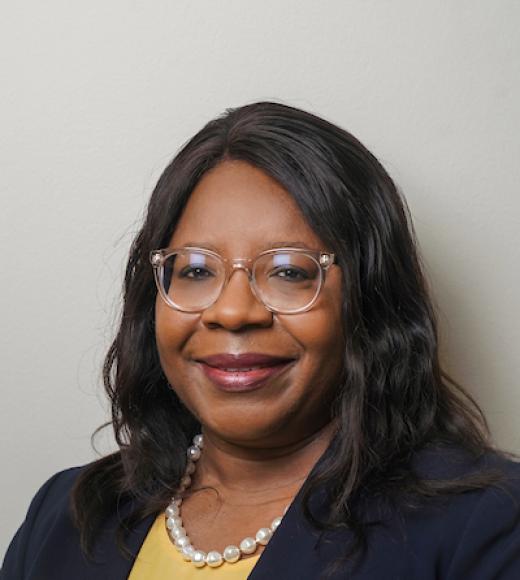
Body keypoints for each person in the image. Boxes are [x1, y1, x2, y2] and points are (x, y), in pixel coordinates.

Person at [2, 101, 520, 580]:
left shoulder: (486, 529)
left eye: (291, 272)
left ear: (370, 298)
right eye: (197, 270)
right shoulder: (65, 514)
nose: (232, 312)